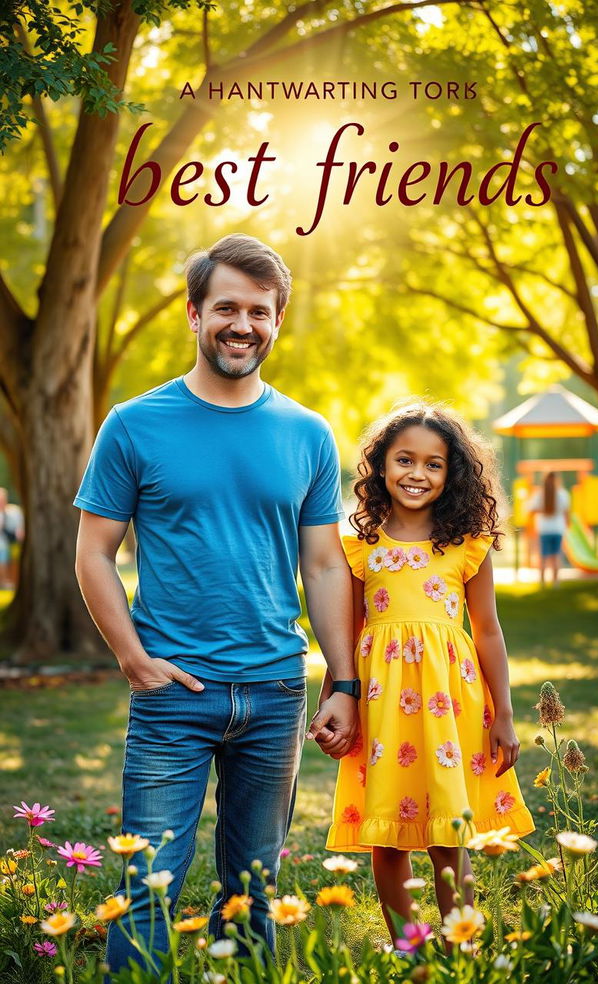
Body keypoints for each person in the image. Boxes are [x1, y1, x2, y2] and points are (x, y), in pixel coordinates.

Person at [74, 234, 359, 975]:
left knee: (255, 892)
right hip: (174, 694)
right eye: (226, 307)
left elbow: (326, 564)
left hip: (274, 694)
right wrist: (135, 660)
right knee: (148, 889)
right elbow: (93, 552)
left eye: (259, 311)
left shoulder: (307, 432)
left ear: (277, 321)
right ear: (196, 315)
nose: (243, 324)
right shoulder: (134, 424)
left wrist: (343, 679)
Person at [319, 402, 534, 939]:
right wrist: (333, 702)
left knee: (448, 828)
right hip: (381, 702)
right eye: (405, 460)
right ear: (381, 466)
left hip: (450, 702)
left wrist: (504, 714)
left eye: (433, 464)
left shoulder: (468, 543)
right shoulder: (357, 546)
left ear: (452, 473)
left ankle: (460, 940)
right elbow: (344, 634)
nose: (417, 474)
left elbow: (487, 630)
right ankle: (407, 944)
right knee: (386, 832)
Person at [528, 472, 571, 585]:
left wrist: (542, 511)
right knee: (556, 556)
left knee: (543, 556)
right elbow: (567, 513)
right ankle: (555, 582)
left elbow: (530, 510)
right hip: (558, 529)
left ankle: (542, 582)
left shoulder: (539, 494)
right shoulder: (563, 494)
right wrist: (568, 526)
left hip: (544, 529)